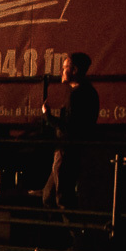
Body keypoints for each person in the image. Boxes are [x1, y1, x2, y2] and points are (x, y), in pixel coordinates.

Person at [38, 52, 98, 210]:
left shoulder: (75, 95)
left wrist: (47, 116)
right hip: (76, 149)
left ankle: (71, 225)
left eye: (65, 67)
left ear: (74, 70)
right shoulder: (90, 92)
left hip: (66, 149)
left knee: (61, 197)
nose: (61, 71)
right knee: (49, 195)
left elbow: (68, 127)